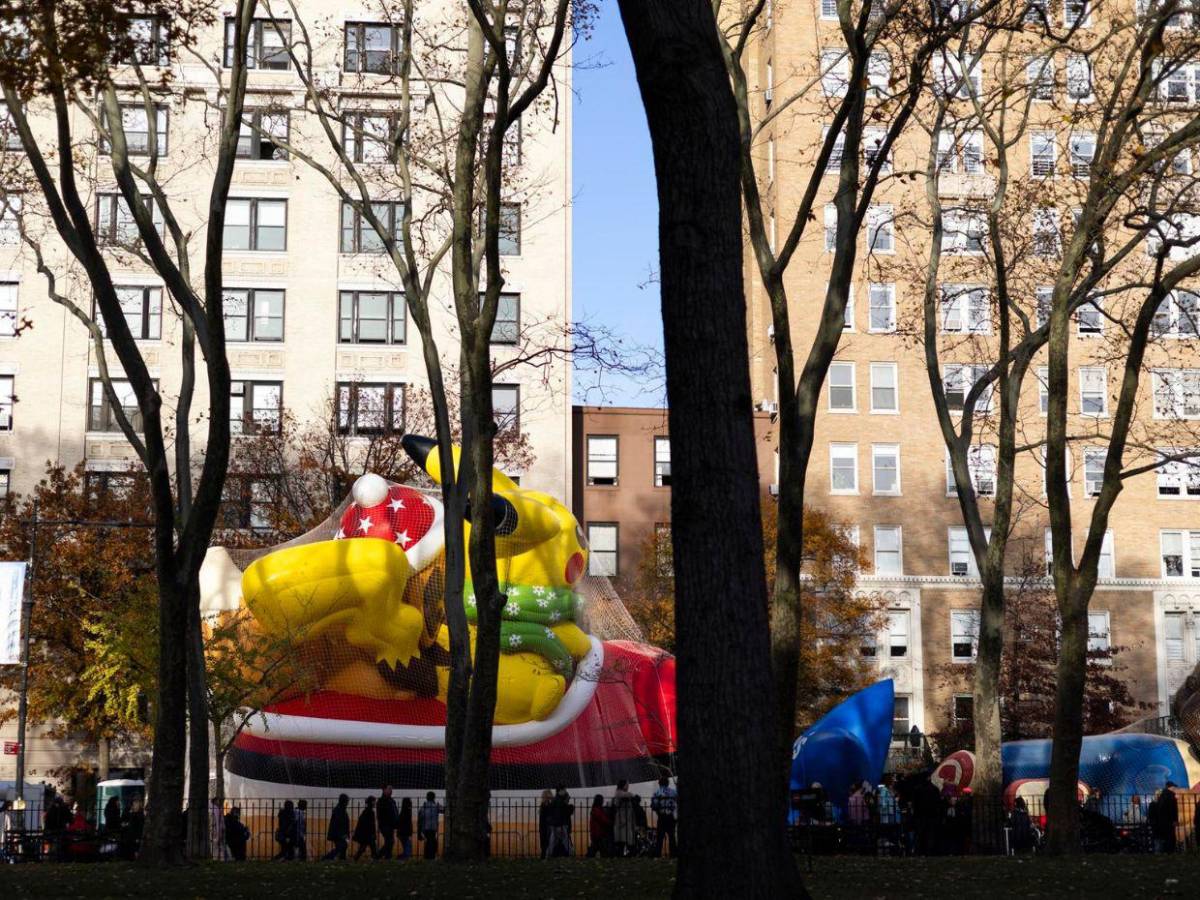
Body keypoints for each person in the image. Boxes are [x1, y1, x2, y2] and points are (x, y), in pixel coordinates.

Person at [650, 775, 678, 858]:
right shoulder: (673, 792)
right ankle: (673, 854)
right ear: (668, 783)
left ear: (659, 783)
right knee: (672, 836)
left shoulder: (657, 792)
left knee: (660, 837)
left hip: (661, 816)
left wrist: (658, 811)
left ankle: (658, 854)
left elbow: (653, 805)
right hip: (670, 816)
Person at [545, 785, 575, 858]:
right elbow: (559, 813)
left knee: (556, 840)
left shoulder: (559, 800)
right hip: (559, 824)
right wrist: (558, 825)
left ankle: (550, 853)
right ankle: (569, 853)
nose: (566, 791)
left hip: (558, 824)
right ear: (560, 791)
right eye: (564, 790)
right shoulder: (558, 800)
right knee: (562, 840)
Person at [611, 780, 637, 858]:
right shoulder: (619, 793)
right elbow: (628, 795)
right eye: (627, 784)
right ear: (623, 785)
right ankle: (622, 853)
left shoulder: (621, 793)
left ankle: (627, 853)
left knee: (626, 837)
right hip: (622, 819)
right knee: (623, 838)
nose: (628, 786)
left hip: (626, 819)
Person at [324, 794, 351, 861]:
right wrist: (342, 834)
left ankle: (342, 859)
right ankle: (327, 858)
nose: (348, 802)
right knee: (340, 847)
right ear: (344, 801)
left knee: (343, 846)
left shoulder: (340, 809)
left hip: (340, 833)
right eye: (347, 801)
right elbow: (339, 824)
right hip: (338, 834)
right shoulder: (339, 810)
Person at [353, 795, 378, 861]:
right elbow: (371, 824)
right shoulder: (370, 812)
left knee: (365, 847)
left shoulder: (366, 811)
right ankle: (374, 857)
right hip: (367, 833)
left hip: (365, 833)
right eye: (374, 801)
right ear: (371, 802)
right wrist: (373, 833)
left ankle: (356, 857)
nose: (375, 803)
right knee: (371, 846)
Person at [418, 792, 442, 859]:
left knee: (428, 842)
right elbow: (444, 810)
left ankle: (427, 856)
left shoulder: (423, 807)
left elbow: (420, 818)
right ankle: (431, 856)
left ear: (427, 798)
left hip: (425, 828)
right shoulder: (435, 806)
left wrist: (420, 830)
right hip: (433, 827)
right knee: (432, 842)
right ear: (434, 797)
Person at [377, 786, 398, 860]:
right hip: (385, 824)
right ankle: (379, 855)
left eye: (391, 789)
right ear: (384, 790)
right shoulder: (382, 801)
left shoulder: (391, 800)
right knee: (390, 841)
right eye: (389, 789)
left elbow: (395, 812)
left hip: (390, 825)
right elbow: (381, 815)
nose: (391, 791)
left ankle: (388, 856)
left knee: (390, 841)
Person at [587, 794, 611, 858]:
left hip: (596, 832)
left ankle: (590, 856)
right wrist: (609, 822)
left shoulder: (596, 809)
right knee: (601, 848)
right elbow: (602, 819)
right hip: (598, 833)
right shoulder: (597, 810)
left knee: (596, 847)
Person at [537, 788, 554, 858]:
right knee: (544, 841)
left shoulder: (547, 805)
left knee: (547, 841)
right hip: (544, 826)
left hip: (546, 826)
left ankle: (545, 854)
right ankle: (544, 854)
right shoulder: (544, 805)